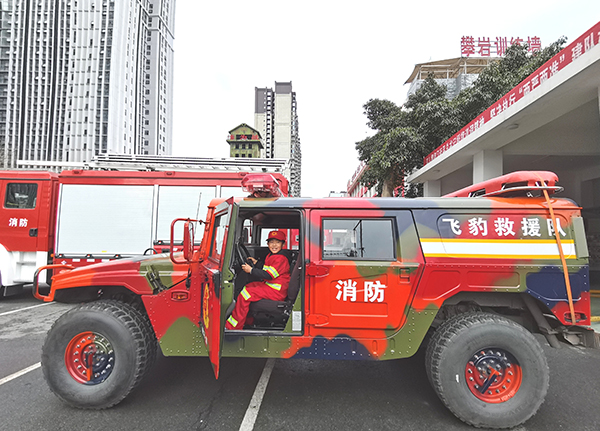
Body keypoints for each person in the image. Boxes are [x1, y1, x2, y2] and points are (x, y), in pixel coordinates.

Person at [225, 230, 290, 330]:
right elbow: (266, 268)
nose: (274, 245)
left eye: (277, 242)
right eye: (271, 242)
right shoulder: (272, 255)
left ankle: (233, 327)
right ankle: (248, 320)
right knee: (249, 286)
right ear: (267, 244)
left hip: (276, 291)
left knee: (246, 294)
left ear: (283, 244)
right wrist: (257, 263)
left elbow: (268, 275)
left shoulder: (280, 259)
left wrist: (251, 270)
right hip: (271, 286)